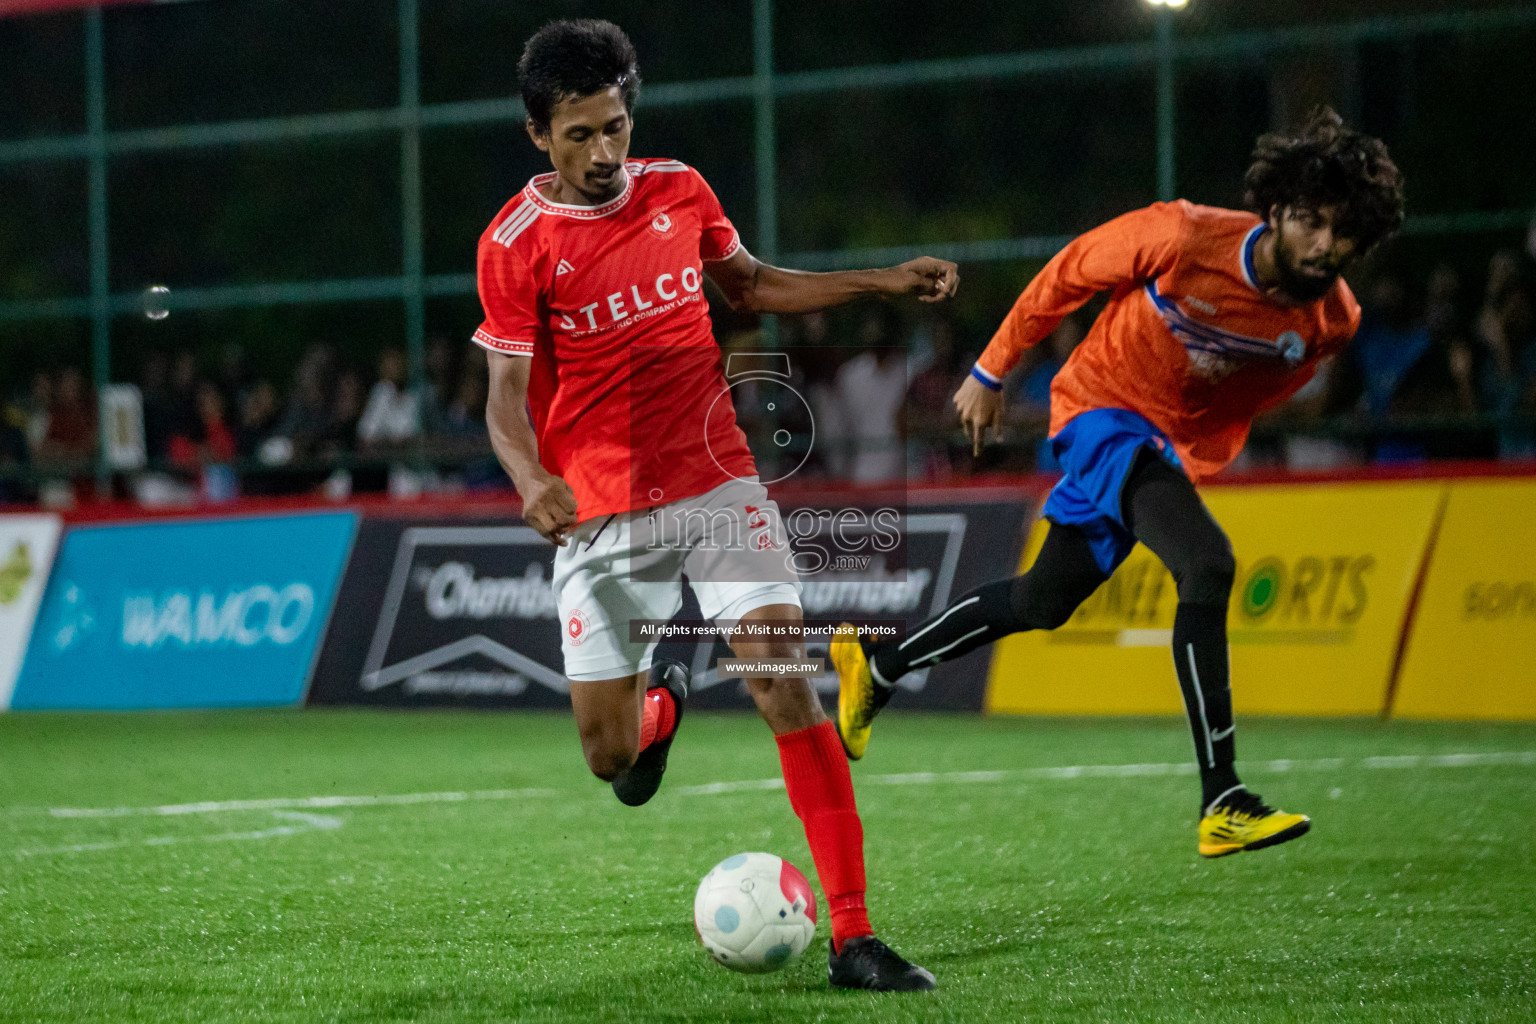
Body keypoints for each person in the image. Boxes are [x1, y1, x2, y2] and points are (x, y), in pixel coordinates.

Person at [476, 19, 957, 991]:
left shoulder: (679, 189)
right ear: (539, 135)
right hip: (600, 509)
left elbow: (748, 285)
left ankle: (854, 935)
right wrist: (532, 482)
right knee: (610, 757)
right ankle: (656, 710)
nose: (605, 153)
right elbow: (501, 400)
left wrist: (877, 279)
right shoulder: (515, 246)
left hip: (715, 479)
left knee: (785, 679)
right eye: (579, 134)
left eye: (615, 126)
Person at [834, 108, 1405, 860]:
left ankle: (877, 666)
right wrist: (990, 369)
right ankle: (1224, 798)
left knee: (1045, 600)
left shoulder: (1333, 321)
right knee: (1207, 563)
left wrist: (1194, 444)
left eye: (1345, 234)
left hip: (1155, 445)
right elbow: (1069, 272)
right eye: (1311, 222)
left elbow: (1250, 386)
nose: (1324, 245)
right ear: (1277, 209)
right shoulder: (1185, 236)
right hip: (1100, 409)